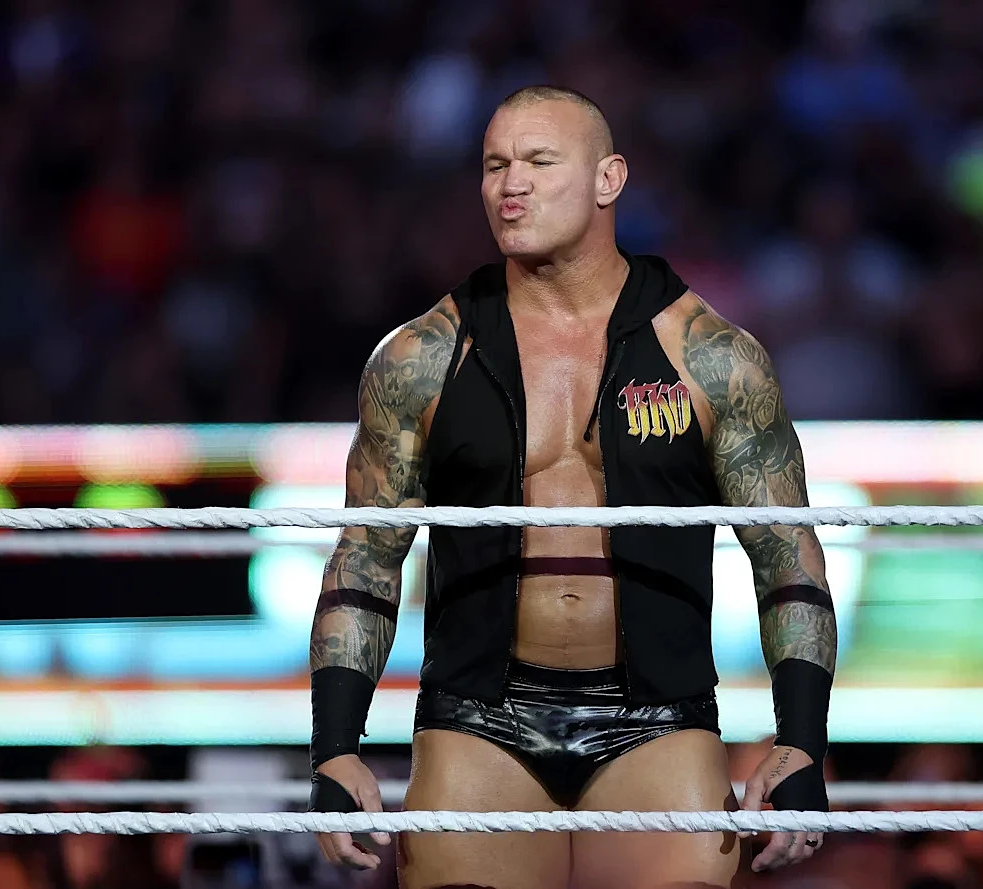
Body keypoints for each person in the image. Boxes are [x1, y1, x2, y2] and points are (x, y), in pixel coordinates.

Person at [306, 85, 837, 889]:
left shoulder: (713, 357)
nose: (510, 184)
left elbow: (786, 553)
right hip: (477, 719)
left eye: (539, 161)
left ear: (608, 179)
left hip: (657, 719)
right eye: (495, 165)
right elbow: (368, 555)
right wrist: (336, 745)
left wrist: (800, 740)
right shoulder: (419, 359)